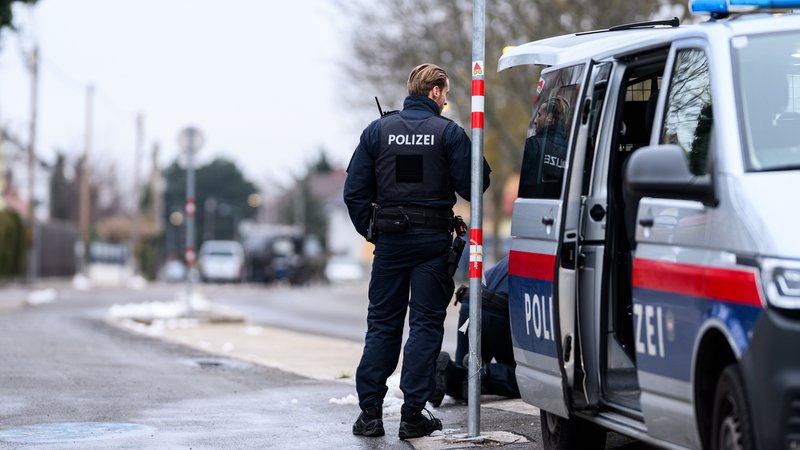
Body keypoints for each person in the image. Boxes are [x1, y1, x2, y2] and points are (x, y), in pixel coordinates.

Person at [344, 63, 491, 440]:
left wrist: (373, 232)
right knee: (425, 324)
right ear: (435, 92)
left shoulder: (377, 131)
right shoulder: (448, 132)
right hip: (431, 243)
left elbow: (355, 192)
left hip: (390, 243)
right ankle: (412, 414)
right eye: (446, 94)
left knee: (382, 323)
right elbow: (475, 184)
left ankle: (370, 413)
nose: (446, 101)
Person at [430, 256, 520, 406]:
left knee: (462, 377)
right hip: (499, 312)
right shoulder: (545, 257)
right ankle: (482, 372)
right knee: (528, 380)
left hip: (470, 302)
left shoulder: (515, 253)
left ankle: (447, 370)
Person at [518, 95, 570, 199]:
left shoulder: (532, 145)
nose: (535, 121)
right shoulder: (572, 151)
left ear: (549, 118)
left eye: (539, 115)